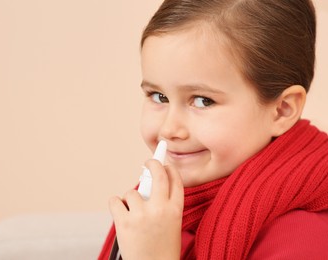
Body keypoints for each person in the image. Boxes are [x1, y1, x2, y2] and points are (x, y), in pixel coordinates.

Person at [99, 0, 328, 259]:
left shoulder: (304, 239)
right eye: (158, 96)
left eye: (202, 100)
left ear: (282, 110)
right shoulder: (159, 216)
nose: (169, 128)